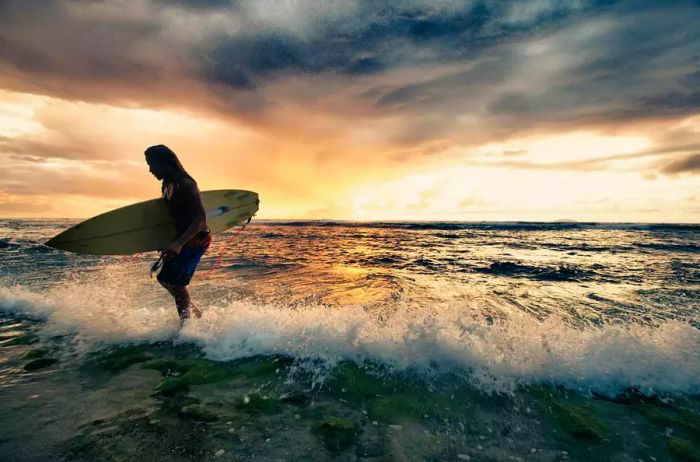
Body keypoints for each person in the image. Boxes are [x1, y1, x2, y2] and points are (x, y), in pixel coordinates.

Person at [145, 144, 210, 322]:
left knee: (175, 282)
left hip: (196, 238)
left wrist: (179, 243)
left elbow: (200, 218)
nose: (150, 170)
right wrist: (168, 240)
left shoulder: (186, 184)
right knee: (165, 278)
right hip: (182, 237)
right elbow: (174, 217)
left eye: (152, 165)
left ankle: (186, 325)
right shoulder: (168, 184)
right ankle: (197, 317)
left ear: (165, 163)